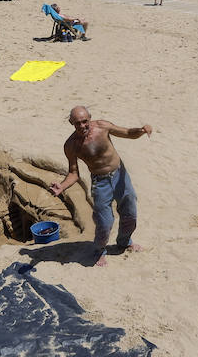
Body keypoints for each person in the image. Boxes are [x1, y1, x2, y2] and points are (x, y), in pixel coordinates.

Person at [48, 106, 153, 267]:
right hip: (100, 182)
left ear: (90, 118)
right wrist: (62, 187)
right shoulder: (71, 145)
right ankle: (99, 250)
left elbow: (127, 133)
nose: (82, 126)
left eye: (85, 121)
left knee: (130, 213)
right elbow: (74, 173)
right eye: (78, 123)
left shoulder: (102, 127)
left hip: (120, 175)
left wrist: (141, 130)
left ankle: (124, 242)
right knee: (105, 222)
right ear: (71, 123)